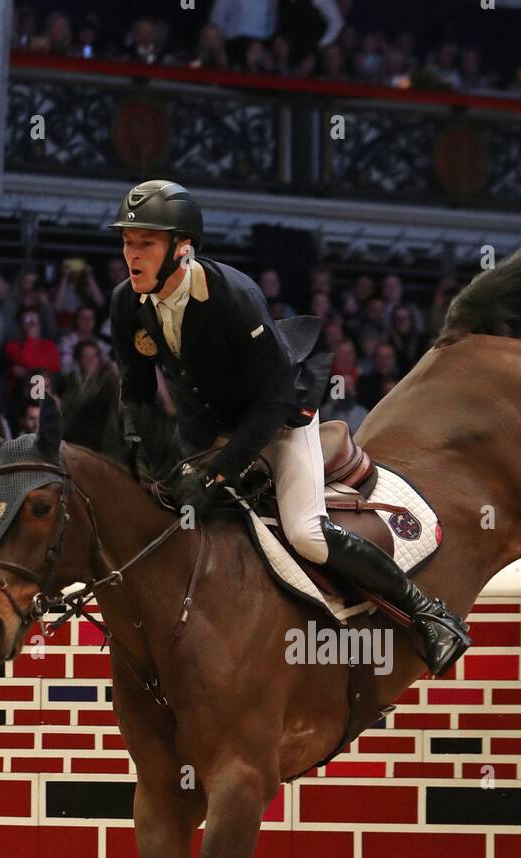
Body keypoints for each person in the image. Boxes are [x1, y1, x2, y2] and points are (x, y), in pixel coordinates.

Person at [107, 179, 469, 674]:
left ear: (182, 248)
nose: (132, 254)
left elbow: (274, 398)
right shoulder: (127, 302)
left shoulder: (235, 296)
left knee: (305, 535)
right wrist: (137, 452)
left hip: (275, 421)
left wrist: (219, 475)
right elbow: (138, 389)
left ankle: (428, 612)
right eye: (128, 242)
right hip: (201, 430)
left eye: (145, 242)